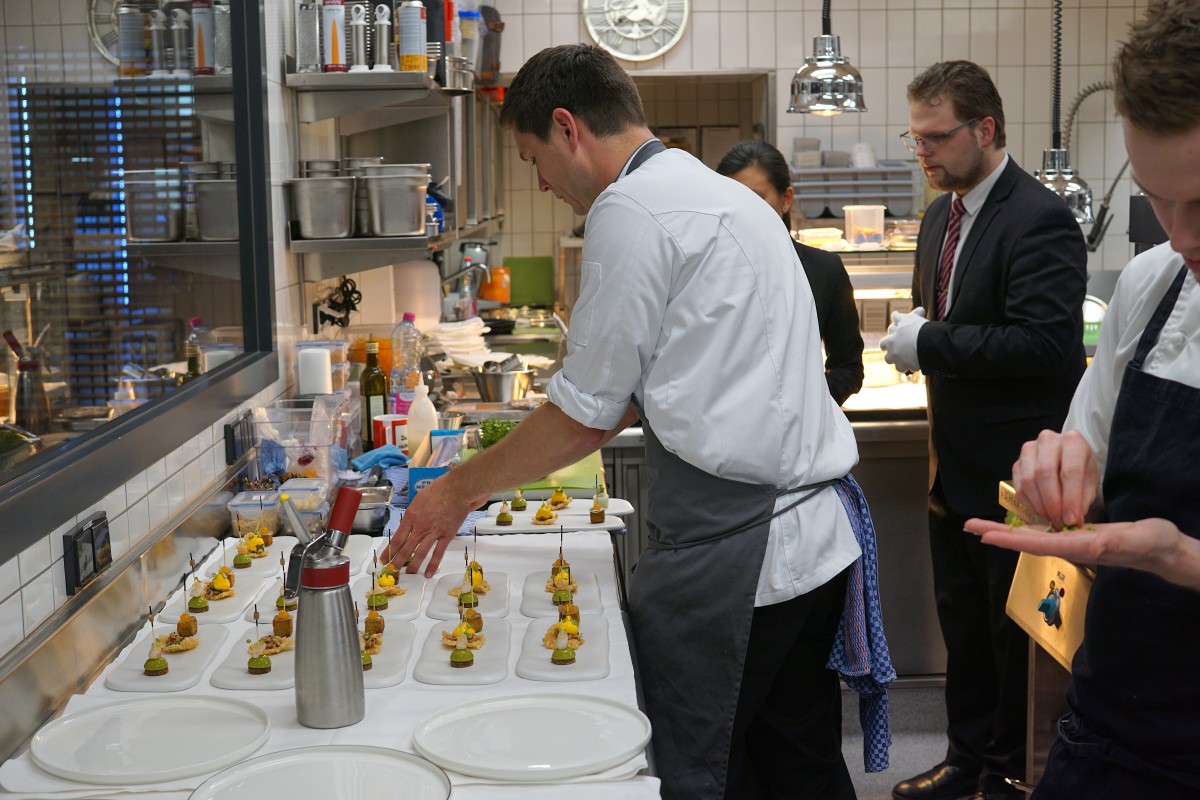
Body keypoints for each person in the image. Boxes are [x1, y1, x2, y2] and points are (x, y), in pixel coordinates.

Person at [382, 43, 893, 800]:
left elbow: (584, 416)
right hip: (812, 546)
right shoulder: (714, 192)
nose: (542, 182)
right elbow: (631, 389)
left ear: (567, 128)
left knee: (709, 774)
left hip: (742, 559)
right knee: (799, 768)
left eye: (532, 159)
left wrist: (456, 491)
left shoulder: (630, 209)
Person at [965, 2, 1200, 796]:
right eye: (1159, 199)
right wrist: (1053, 471)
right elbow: (1084, 454)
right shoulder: (1155, 284)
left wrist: (1180, 558)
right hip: (1113, 733)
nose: (1181, 235)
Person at [879, 61, 1088, 800]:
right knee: (963, 629)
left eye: (936, 138)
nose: (926, 154)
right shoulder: (942, 213)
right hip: (953, 465)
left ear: (986, 128)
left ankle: (1005, 774)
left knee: (1010, 637)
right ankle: (964, 761)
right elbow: (950, 319)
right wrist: (924, 337)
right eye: (918, 141)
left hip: (1016, 478)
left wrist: (928, 343)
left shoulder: (1039, 218)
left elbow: (1044, 344)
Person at [716, 140, 864, 405]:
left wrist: (805, 405)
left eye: (755, 197)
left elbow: (848, 368)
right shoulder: (709, 271)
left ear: (786, 199)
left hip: (802, 436)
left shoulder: (823, 270)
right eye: (731, 198)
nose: (742, 210)